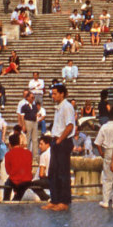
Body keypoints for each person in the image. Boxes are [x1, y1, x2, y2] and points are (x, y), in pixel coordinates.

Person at [43, 83, 76, 212]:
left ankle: (64, 201)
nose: (53, 96)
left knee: (63, 173)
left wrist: (59, 140)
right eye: (52, 93)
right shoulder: (58, 107)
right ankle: (55, 199)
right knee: (53, 173)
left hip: (63, 141)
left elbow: (70, 126)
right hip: (56, 140)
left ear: (62, 94)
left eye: (55, 93)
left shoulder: (67, 107)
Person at [2, 131, 47, 202]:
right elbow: (30, 168)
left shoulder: (8, 154)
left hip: (15, 181)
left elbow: (8, 171)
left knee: (7, 183)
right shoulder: (28, 153)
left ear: (10, 144)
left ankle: (6, 200)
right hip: (27, 180)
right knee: (22, 189)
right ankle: (45, 198)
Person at [94, 105, 113, 208]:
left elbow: (97, 143)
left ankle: (105, 200)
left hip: (108, 151)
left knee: (107, 178)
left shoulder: (104, 127)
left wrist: (101, 153)